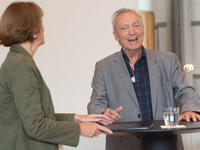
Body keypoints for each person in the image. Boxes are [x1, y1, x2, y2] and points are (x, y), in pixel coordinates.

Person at [0, 2, 113, 150]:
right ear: (33, 29)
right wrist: (80, 129)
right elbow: (35, 126)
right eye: (40, 23)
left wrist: (76, 119)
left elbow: (30, 117)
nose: (43, 28)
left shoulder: (16, 61)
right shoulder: (21, 66)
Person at [87, 8, 200, 150]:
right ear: (116, 35)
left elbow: (185, 91)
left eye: (136, 26)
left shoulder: (167, 60)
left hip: (164, 142)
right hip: (124, 145)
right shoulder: (104, 66)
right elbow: (95, 104)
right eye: (124, 28)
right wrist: (103, 113)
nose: (132, 32)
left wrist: (190, 109)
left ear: (143, 30)